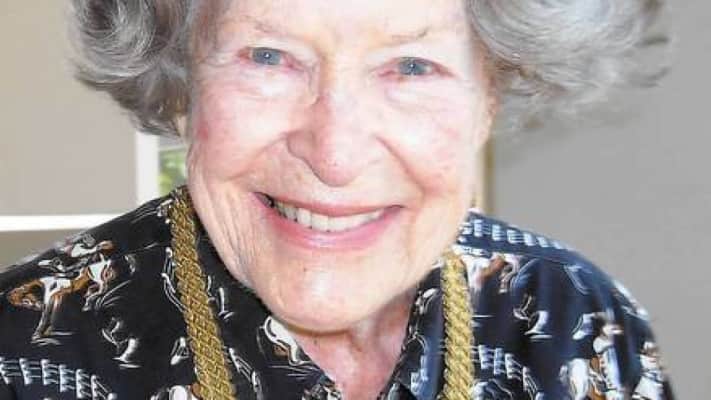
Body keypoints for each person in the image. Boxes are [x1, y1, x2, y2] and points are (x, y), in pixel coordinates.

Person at [0, 0, 674, 399]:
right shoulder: (19, 349)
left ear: (487, 101)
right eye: (267, 56)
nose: (335, 154)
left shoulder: (573, 315)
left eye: (412, 66)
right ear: (180, 88)